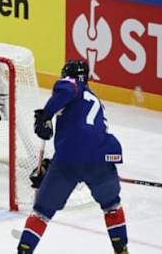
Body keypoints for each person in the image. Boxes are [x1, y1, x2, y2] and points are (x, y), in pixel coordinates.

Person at [16, 59, 128, 254]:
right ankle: (121, 249)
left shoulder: (71, 84)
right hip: (101, 157)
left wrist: (44, 116)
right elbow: (88, 134)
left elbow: (67, 91)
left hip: (68, 161)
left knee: (41, 212)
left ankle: (24, 250)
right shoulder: (95, 100)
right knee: (112, 206)